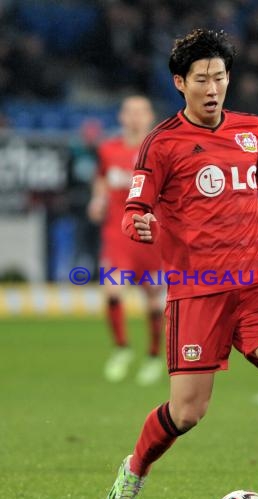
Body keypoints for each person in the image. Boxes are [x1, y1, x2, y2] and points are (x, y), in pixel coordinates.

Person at [106, 29, 258, 499]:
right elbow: (135, 206)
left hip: (257, 282)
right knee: (188, 411)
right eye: (201, 78)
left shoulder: (251, 129)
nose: (212, 87)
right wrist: (135, 222)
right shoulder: (161, 144)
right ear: (180, 83)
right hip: (197, 288)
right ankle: (135, 466)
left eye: (220, 77)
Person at [88, 95, 164, 385]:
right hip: (117, 233)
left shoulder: (160, 149)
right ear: (121, 117)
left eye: (140, 111)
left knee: (154, 301)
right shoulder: (108, 149)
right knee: (112, 290)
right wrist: (98, 200)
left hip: (150, 235)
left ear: (149, 117)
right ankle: (121, 348)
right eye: (129, 111)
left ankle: (154, 355)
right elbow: (103, 178)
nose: (134, 117)